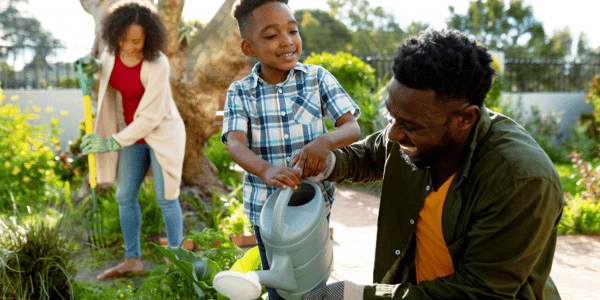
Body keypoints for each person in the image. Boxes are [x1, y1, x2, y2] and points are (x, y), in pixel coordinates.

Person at [303, 30, 564, 300]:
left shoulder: (521, 180)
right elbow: (371, 155)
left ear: (465, 118)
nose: (392, 134)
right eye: (391, 116)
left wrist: (360, 296)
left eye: (409, 126)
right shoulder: (414, 129)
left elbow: (479, 292)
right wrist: (325, 163)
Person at [223, 0, 361, 299]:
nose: (286, 41)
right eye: (271, 36)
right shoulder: (240, 92)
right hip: (268, 214)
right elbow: (235, 144)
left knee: (313, 282)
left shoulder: (317, 78)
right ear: (249, 48)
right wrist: (267, 170)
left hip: (314, 206)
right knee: (281, 287)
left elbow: (352, 127)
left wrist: (325, 141)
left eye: (293, 31)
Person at [75, 1, 186, 280]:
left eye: (136, 41)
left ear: (149, 36)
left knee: (166, 198)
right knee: (124, 195)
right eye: (123, 39)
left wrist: (112, 142)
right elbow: (109, 72)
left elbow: (149, 118)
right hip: (131, 134)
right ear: (114, 36)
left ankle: (178, 262)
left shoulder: (158, 63)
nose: (129, 46)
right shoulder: (113, 54)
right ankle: (132, 260)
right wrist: (93, 67)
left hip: (162, 134)